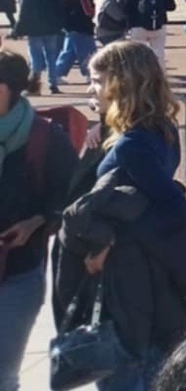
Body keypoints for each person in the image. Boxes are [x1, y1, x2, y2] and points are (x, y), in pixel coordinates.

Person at [53, 40, 186, 391]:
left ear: (120, 84)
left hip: (130, 293)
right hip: (153, 289)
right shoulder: (160, 130)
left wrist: (109, 240)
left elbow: (168, 211)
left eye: (97, 80)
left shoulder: (131, 146)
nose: (90, 88)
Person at [0, 50, 81, 391]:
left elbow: (71, 199)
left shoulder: (45, 138)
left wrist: (36, 223)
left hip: (18, 272)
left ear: (6, 88)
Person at [14, 0, 64, 94]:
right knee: (51, 57)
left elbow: (24, 14)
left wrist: (18, 30)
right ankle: (53, 84)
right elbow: (60, 8)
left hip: (35, 29)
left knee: (36, 58)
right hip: (52, 28)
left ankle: (34, 87)